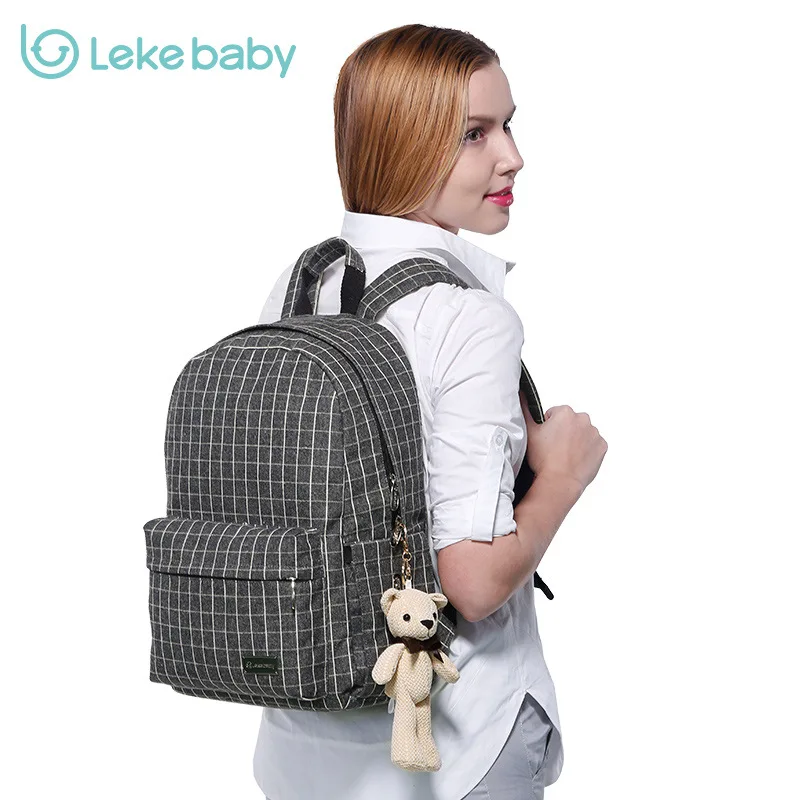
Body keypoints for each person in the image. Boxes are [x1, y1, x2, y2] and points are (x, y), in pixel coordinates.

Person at [253, 23, 607, 800]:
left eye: (508, 125)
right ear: (403, 140)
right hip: (453, 750)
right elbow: (472, 582)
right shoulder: (467, 316)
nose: (512, 156)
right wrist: (563, 476)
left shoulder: (300, 285)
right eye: (475, 133)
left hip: (301, 743)